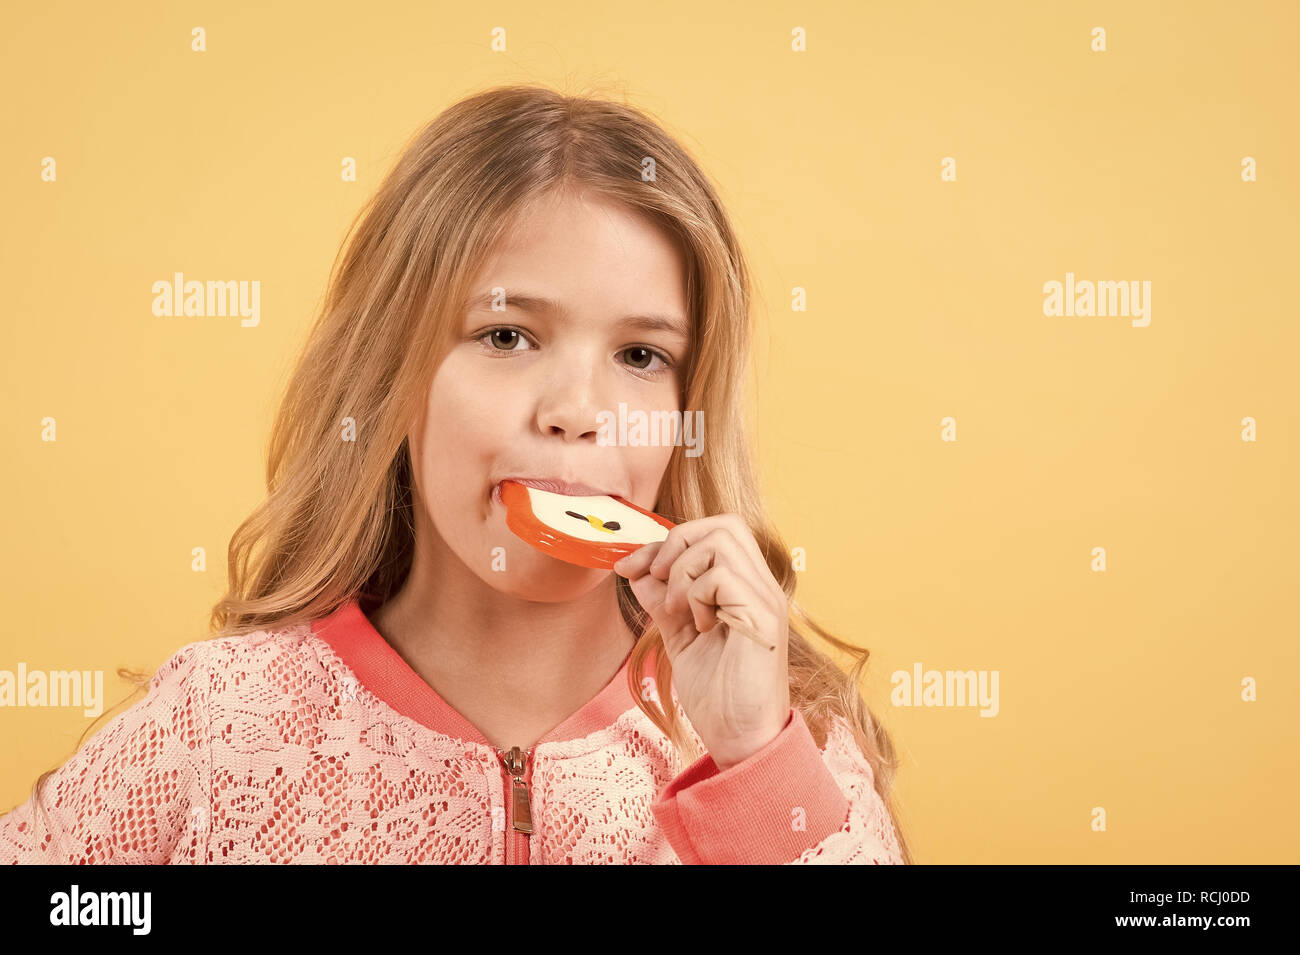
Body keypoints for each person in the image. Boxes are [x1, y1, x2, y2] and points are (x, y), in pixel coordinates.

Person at [0, 83, 912, 864]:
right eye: (507, 336)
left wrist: (754, 762)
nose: (577, 408)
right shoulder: (214, 726)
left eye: (641, 354)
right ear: (394, 380)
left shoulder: (791, 751)